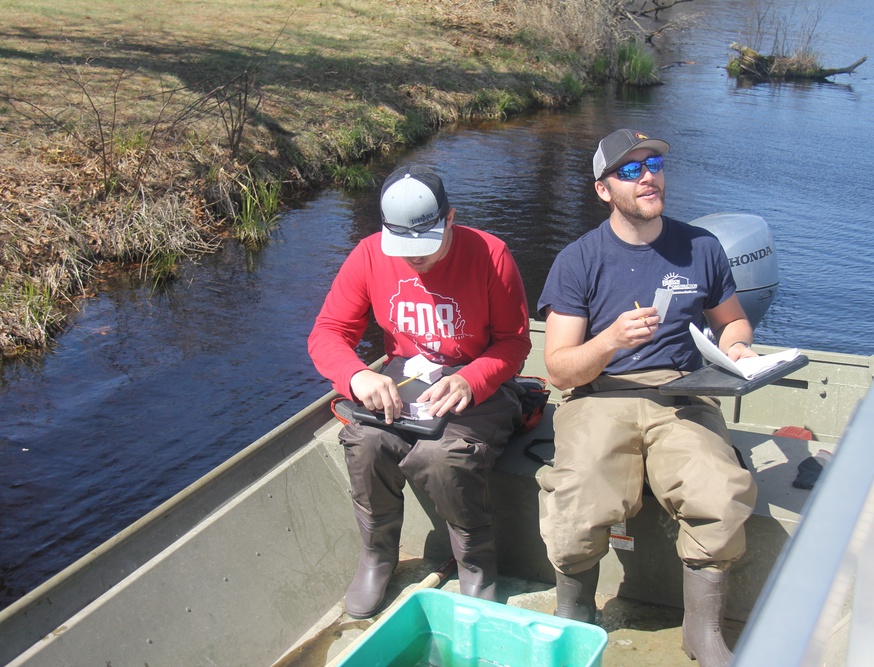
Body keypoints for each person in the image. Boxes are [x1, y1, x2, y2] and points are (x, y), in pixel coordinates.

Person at [536, 129, 759, 667]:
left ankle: (701, 632)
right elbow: (561, 369)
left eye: (653, 164)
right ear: (603, 190)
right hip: (599, 394)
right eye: (630, 171)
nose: (648, 177)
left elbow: (731, 323)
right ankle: (577, 616)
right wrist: (610, 340)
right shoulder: (578, 259)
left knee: (720, 490)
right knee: (578, 497)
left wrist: (741, 349)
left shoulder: (701, 247)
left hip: (682, 393)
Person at [308, 164, 531, 619]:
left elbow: (515, 342)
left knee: (441, 455)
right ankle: (377, 555)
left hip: (477, 385)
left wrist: (472, 378)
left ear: (450, 219)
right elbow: (328, 332)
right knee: (366, 442)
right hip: (404, 379)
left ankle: (476, 566)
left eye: (425, 247)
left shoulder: (492, 255)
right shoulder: (369, 255)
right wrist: (357, 376)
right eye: (404, 248)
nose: (415, 258)